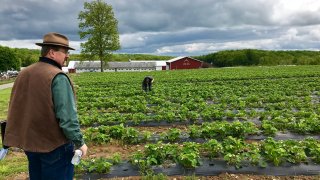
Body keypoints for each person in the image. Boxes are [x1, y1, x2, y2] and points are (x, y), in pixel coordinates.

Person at [3, 32, 88, 179]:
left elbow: (17, 107)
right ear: (52, 53)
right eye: (65, 52)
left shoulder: (24, 73)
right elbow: (67, 118)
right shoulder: (57, 76)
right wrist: (80, 142)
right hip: (54, 146)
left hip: (30, 144)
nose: (67, 56)